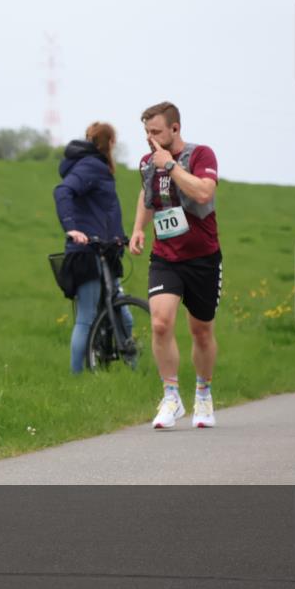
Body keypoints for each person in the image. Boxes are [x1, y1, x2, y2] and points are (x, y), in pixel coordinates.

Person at [129, 102, 221, 428]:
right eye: (146, 132)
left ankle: (204, 394)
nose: (150, 138)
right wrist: (139, 228)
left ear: (175, 129)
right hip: (166, 257)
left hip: (203, 259)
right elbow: (146, 195)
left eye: (155, 132)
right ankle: (171, 397)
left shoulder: (201, 156)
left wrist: (171, 166)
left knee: (201, 331)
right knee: (160, 323)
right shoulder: (147, 163)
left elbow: (203, 192)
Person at [53, 122, 129, 373]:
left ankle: (132, 367)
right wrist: (72, 228)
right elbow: (62, 192)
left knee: (123, 314)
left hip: (105, 251)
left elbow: (104, 211)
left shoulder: (97, 166)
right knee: (86, 318)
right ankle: (76, 379)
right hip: (86, 252)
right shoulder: (90, 166)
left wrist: (119, 237)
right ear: (109, 142)